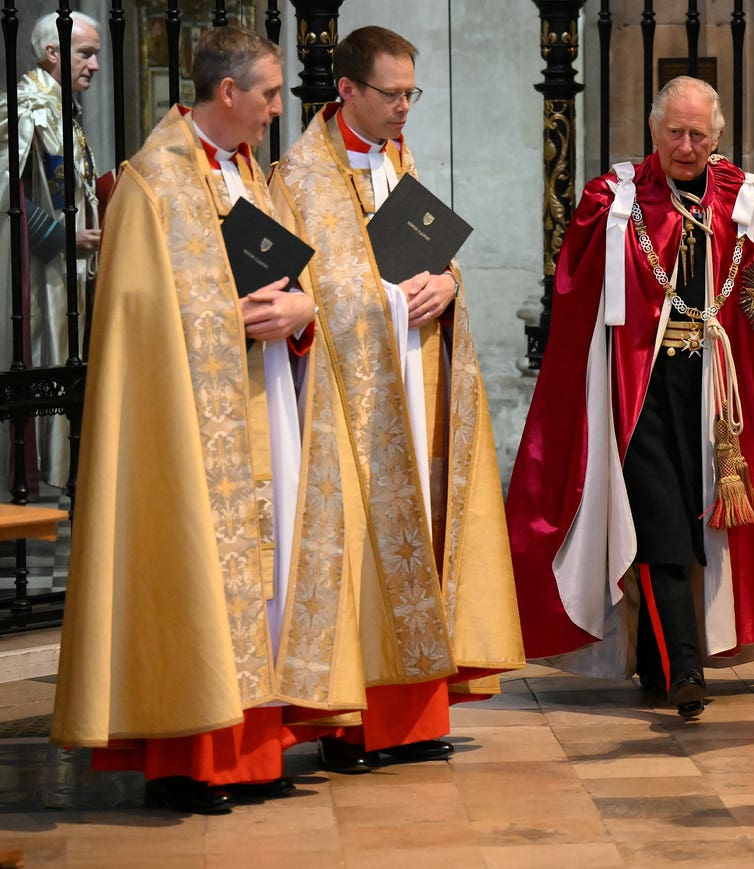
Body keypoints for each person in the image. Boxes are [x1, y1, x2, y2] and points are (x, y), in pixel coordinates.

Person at [51, 26, 368, 814]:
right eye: (266, 95)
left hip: (268, 402)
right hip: (191, 426)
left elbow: (303, 280)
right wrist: (229, 318)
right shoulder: (151, 185)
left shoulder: (256, 179)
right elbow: (136, 321)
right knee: (196, 574)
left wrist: (300, 309)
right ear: (226, 94)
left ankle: (255, 749)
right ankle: (193, 756)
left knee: (272, 582)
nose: (274, 111)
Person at [506, 76, 754, 718]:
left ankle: (661, 666)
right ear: (654, 129)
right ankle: (685, 666)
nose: (685, 146)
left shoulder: (740, 200)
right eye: (674, 132)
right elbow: (574, 293)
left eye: (698, 135)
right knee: (655, 514)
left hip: (713, 385)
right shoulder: (613, 198)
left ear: (716, 137)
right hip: (641, 384)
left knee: (694, 515)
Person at [270, 25, 524, 773]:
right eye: (392, 94)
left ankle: (415, 716)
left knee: (425, 535)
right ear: (345, 90)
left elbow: (436, 270)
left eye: (412, 93)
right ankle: (354, 723)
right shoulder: (297, 181)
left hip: (419, 385)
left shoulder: (397, 166)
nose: (405, 107)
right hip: (350, 404)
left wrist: (451, 286)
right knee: (359, 550)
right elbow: (300, 295)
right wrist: (378, 306)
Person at [0, 11, 103, 490]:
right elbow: (7, 196)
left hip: (73, 270)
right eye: (86, 53)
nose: (96, 65)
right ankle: (36, 478)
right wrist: (60, 239)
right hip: (40, 273)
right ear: (52, 53)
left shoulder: (65, 109)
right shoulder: (25, 109)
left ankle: (71, 472)